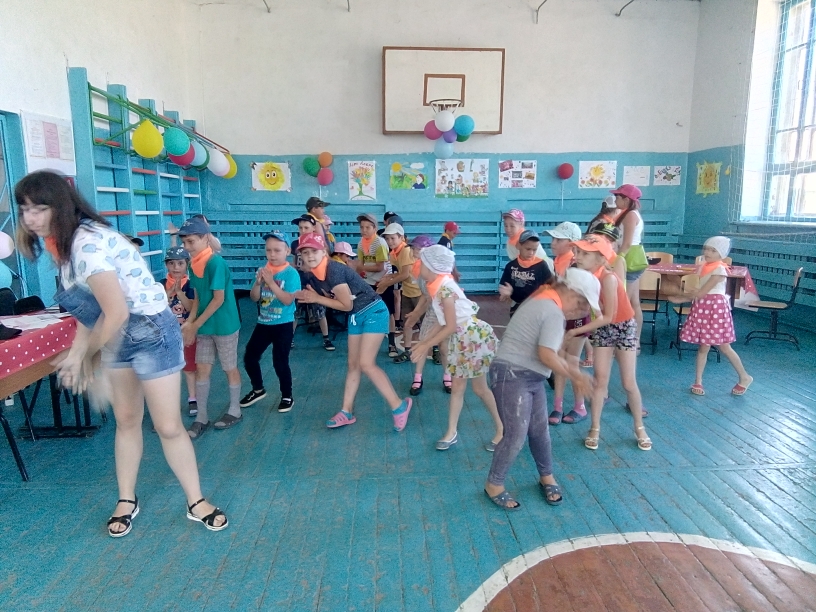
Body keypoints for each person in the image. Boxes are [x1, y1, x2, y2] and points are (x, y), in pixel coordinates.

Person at [14, 170, 227, 535]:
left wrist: (84, 357)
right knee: (126, 420)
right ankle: (127, 498)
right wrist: (81, 352)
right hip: (117, 333)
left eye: (39, 208)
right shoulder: (63, 245)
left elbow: (115, 313)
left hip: (150, 331)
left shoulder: (86, 245)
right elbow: (91, 310)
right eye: (24, 209)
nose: (30, 218)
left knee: (167, 426)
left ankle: (196, 500)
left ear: (60, 207)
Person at [484, 269, 600, 510]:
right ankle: (494, 484)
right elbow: (546, 355)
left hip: (529, 376)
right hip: (513, 375)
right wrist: (576, 376)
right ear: (571, 293)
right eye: (580, 305)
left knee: (539, 430)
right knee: (515, 435)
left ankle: (546, 475)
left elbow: (549, 349)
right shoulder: (552, 310)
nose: (578, 312)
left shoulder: (544, 298)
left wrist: (569, 362)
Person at [293, 233, 413, 430]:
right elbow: (341, 301)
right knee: (353, 364)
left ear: (324, 251)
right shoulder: (315, 274)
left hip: (374, 311)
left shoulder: (333, 270)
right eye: (305, 253)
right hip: (356, 315)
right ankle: (346, 411)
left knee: (366, 363)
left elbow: (346, 304)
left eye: (314, 251)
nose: (310, 256)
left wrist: (317, 298)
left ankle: (399, 406)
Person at [410, 245, 503, 451]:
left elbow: (450, 325)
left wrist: (426, 344)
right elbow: (442, 321)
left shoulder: (445, 289)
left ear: (432, 267)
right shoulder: (438, 285)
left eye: (421, 263)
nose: (418, 265)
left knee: (479, 389)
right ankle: (451, 432)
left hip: (471, 338)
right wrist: (424, 342)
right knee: (459, 387)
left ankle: (502, 429)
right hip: (462, 339)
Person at [569, 232, 652, 452]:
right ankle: (594, 427)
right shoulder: (584, 277)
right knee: (600, 381)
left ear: (600, 258)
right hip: (602, 328)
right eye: (578, 252)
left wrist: (575, 331)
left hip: (623, 327)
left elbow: (609, 316)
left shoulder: (608, 278)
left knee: (628, 383)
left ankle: (639, 427)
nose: (578, 256)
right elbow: (593, 310)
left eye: (585, 254)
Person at [177, 216, 243, 437]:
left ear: (205, 238)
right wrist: (190, 323)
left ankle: (235, 410)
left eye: (191, 242)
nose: (187, 247)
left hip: (224, 325)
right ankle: (202, 416)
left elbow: (218, 299)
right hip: (205, 326)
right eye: (184, 242)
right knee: (202, 369)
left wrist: (195, 325)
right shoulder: (193, 263)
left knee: (229, 367)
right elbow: (198, 297)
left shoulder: (215, 263)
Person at [672, 236, 753, 396]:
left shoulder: (720, 269)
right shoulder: (704, 266)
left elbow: (702, 292)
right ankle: (698, 381)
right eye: (706, 249)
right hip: (704, 307)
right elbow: (699, 290)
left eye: (713, 250)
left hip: (715, 309)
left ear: (721, 254)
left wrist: (681, 298)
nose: (708, 252)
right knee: (703, 346)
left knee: (724, 346)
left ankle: (744, 377)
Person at [240, 230, 301, 413]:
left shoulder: (291, 274)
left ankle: (287, 395)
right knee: (250, 356)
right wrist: (258, 283)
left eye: (277, 250)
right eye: (268, 250)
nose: (272, 254)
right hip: (264, 323)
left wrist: (271, 282)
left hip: (283, 324)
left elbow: (288, 300)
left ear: (287, 251)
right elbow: (254, 298)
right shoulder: (264, 270)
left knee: (280, 362)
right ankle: (258, 389)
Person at [542, 222, 591, 425]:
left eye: (558, 239)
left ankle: (580, 406)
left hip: (576, 320)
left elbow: (582, 299)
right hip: (562, 319)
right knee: (560, 362)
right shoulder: (558, 261)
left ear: (571, 243)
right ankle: (558, 406)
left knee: (572, 362)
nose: (553, 243)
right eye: (553, 239)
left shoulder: (576, 265)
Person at [402, 235, 451, 395]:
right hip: (432, 311)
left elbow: (432, 297)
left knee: (443, 346)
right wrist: (416, 312)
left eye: (417, 248)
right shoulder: (418, 269)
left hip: (443, 311)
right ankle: (418, 377)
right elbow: (425, 295)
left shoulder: (434, 271)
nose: (413, 251)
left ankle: (447, 376)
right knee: (423, 343)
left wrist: (417, 313)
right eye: (413, 249)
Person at [161, 246, 198, 417]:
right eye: (172, 263)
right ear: (166, 265)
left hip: (186, 334)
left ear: (187, 264)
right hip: (166, 336)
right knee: (168, 371)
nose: (176, 267)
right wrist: (168, 293)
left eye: (180, 263)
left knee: (189, 368)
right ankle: (169, 403)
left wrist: (179, 293)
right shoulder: (160, 284)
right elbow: (157, 307)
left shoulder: (191, 285)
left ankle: (192, 398)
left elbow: (191, 307)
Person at [355, 213, 398, 357]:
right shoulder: (361, 243)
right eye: (362, 227)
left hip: (383, 282)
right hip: (368, 283)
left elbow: (380, 267)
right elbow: (360, 265)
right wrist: (359, 273)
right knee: (367, 312)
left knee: (389, 312)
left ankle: (392, 344)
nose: (364, 230)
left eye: (368, 227)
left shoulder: (380, 243)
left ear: (375, 228)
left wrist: (360, 267)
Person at [611, 184, 648, 351]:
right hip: (632, 257)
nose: (615, 199)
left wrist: (617, 260)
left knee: (625, 302)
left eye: (618, 196)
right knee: (634, 302)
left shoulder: (630, 215)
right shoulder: (628, 213)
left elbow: (626, 244)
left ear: (626, 199)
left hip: (629, 259)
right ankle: (634, 340)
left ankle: (629, 341)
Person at [378, 223, 422, 362]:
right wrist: (389, 277)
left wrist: (386, 283)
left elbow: (404, 274)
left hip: (419, 292)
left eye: (393, 238)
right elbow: (399, 273)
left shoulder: (405, 251)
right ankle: (407, 351)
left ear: (401, 238)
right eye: (387, 238)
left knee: (427, 323)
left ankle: (436, 350)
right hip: (408, 291)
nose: (390, 241)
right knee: (407, 323)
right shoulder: (394, 253)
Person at [291, 214, 334, 351]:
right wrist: (294, 268)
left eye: (306, 227)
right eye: (300, 228)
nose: (303, 230)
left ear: (313, 228)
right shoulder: (295, 244)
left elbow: (325, 261)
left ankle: (326, 338)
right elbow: (295, 261)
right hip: (299, 282)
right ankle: (289, 339)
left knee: (320, 312)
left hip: (315, 282)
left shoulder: (318, 243)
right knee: (295, 312)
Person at [498, 229, 553, 316]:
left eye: (534, 250)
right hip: (516, 306)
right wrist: (505, 292)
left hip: (536, 306)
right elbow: (504, 284)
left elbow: (551, 285)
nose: (531, 253)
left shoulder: (541, 265)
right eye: (528, 249)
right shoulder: (511, 266)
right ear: (518, 246)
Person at [502, 209, 553, 273]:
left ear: (521, 224)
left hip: (543, 271)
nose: (508, 229)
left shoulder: (529, 239)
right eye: (505, 225)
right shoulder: (509, 242)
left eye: (512, 226)